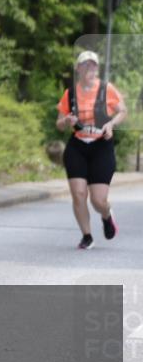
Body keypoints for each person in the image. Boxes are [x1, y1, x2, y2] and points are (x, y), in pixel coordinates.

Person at [56, 50, 127, 250]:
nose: (90, 68)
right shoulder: (70, 93)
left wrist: (111, 124)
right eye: (85, 65)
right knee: (78, 194)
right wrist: (66, 121)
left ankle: (106, 215)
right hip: (77, 145)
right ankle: (87, 236)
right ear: (78, 69)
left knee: (98, 200)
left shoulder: (107, 89)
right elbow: (59, 124)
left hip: (101, 145)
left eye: (93, 65)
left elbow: (123, 111)